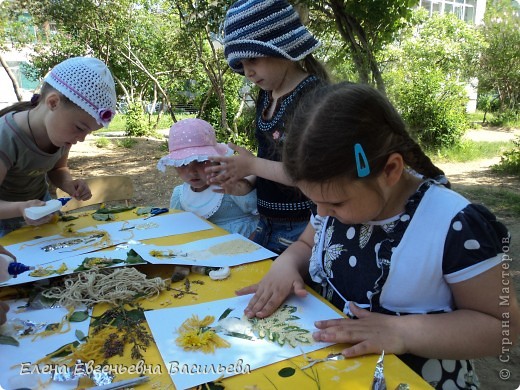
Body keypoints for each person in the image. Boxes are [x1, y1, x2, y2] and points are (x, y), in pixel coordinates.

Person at [236, 82, 520, 389]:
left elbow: (504, 328)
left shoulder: (455, 225)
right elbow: (308, 242)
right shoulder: (335, 202)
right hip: (337, 374)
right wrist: (287, 264)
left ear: (390, 170)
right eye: (314, 201)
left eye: (335, 203)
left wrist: (402, 333)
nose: (322, 212)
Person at [205, 0, 330, 254]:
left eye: (253, 58)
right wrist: (246, 183)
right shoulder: (266, 96)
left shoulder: (312, 96)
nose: (248, 71)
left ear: (282, 46)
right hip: (266, 223)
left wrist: (251, 165)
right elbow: (267, 159)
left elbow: (309, 174)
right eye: (241, 64)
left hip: (303, 229)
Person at [0, 56, 117, 237]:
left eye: (88, 133)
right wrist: (21, 208)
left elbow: (58, 168)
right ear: (53, 102)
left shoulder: (62, 136)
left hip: (41, 214)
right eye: (80, 128)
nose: (82, 139)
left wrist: (69, 184)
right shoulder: (5, 137)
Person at [158, 118, 258, 238]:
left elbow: (259, 214)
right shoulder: (179, 195)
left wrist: (247, 186)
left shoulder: (230, 186)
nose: (192, 171)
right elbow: (177, 226)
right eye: (183, 163)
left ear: (216, 160)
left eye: (201, 161)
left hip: (244, 247)